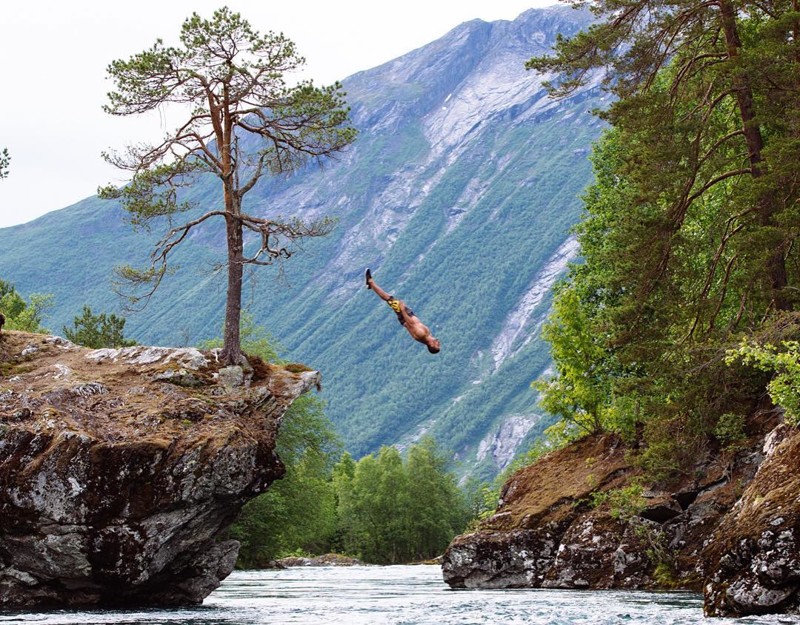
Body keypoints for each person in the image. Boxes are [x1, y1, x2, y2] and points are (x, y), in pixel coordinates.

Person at [366, 269, 441, 354]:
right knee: (390, 299)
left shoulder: (422, 335)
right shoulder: (428, 336)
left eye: (437, 345)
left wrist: (402, 310)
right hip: (409, 315)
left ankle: (370, 283)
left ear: (431, 345)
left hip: (405, 316)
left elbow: (410, 324)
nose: (439, 343)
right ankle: (371, 285)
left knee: (389, 298)